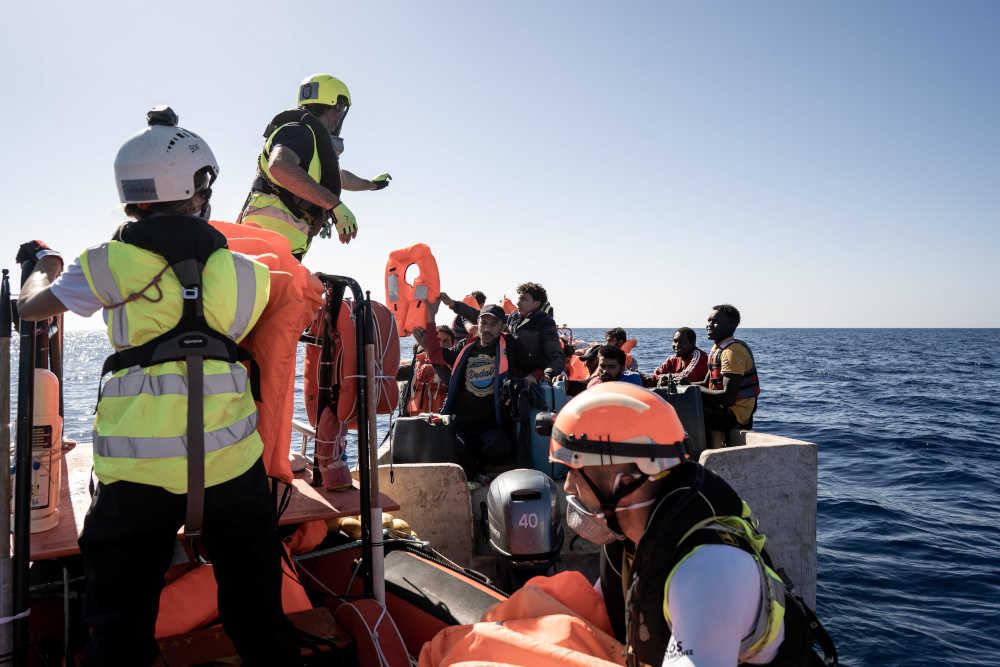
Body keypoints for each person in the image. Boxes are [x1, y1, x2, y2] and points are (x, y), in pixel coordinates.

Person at [16, 109, 300, 665]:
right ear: (196, 189)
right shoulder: (250, 275)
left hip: (136, 482)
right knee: (262, 621)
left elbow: (30, 309)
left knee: (119, 633)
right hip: (232, 472)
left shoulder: (105, 264)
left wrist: (42, 266)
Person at [547, 382, 837, 667]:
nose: (569, 487)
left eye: (575, 471)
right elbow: (600, 610)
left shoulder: (711, 570)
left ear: (623, 482)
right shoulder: (632, 541)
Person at [238, 73, 391, 260]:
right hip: (264, 247)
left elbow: (339, 176)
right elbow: (279, 166)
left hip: (278, 249)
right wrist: (334, 204)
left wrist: (371, 184)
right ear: (336, 106)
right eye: (341, 109)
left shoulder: (309, 140)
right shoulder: (300, 132)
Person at [414, 302, 534, 479]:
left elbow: (535, 363)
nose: (487, 329)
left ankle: (478, 468)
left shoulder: (510, 345)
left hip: (492, 425)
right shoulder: (465, 347)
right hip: (463, 423)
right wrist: (431, 317)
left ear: (502, 327)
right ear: (478, 323)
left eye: (493, 325)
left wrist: (535, 376)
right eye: (484, 323)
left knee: (501, 447)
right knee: (449, 444)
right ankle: (474, 474)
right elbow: (437, 355)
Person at [696, 304, 760, 439]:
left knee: (685, 407)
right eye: (709, 321)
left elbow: (727, 397)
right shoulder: (717, 349)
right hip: (721, 409)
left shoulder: (733, 352)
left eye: (715, 321)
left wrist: (692, 391)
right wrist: (681, 384)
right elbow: (705, 383)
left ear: (731, 325)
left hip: (735, 415)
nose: (709, 325)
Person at [507, 282, 564, 382]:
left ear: (536, 304)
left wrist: (546, 375)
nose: (518, 303)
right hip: (510, 374)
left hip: (533, 376)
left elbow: (556, 357)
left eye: (523, 299)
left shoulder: (545, 323)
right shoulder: (512, 317)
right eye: (519, 298)